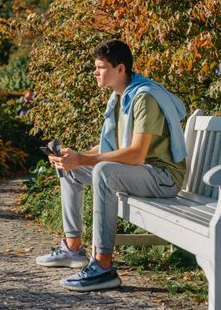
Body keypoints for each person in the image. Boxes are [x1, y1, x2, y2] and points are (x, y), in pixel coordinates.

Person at [35, 39, 187, 292]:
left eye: (101, 67)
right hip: (140, 173)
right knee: (69, 168)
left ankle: (103, 265)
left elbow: (136, 154)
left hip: (163, 177)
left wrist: (83, 159)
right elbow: (109, 150)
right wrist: (74, 157)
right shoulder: (120, 98)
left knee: (103, 171)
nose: (95, 72)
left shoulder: (143, 98)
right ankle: (73, 249)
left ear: (120, 69)